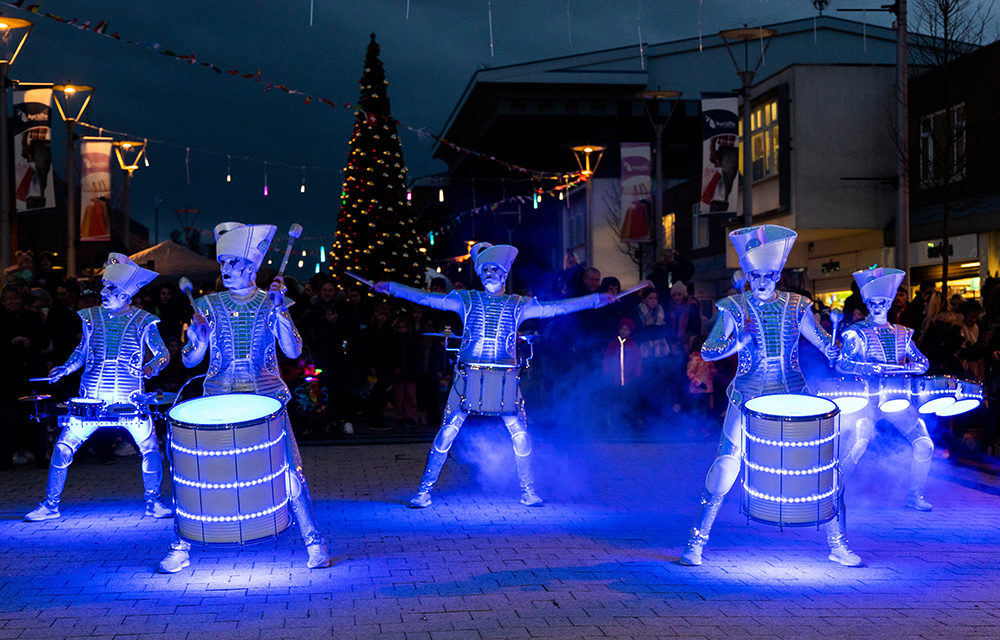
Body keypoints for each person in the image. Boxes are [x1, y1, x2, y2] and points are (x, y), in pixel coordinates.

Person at [373, 242, 616, 507]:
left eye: (495, 269)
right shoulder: (465, 299)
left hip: (505, 378)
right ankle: (424, 491)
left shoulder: (519, 304)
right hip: (469, 376)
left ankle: (528, 491)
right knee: (446, 432)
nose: (490, 273)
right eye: (485, 269)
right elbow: (425, 297)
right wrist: (392, 288)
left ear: (504, 273)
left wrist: (595, 300)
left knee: (520, 433)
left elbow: (557, 308)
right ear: (479, 273)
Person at [158, 222, 331, 573]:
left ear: (251, 267)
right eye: (223, 264)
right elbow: (190, 359)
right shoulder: (207, 305)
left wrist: (281, 309)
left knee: (290, 473)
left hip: (267, 404)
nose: (225, 270)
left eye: (232, 263)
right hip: (219, 402)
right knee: (200, 475)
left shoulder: (273, 301)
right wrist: (200, 341)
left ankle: (315, 543)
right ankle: (180, 547)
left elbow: (294, 350)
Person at [678, 225, 854, 567]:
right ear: (746, 274)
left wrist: (836, 350)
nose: (763, 281)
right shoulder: (733, 306)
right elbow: (708, 349)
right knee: (725, 467)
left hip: (793, 396)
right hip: (747, 397)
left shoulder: (797, 305)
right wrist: (735, 343)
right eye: (755, 275)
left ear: (779, 273)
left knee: (823, 469)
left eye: (769, 274)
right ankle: (696, 543)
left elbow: (822, 344)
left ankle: (839, 544)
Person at [24, 254, 172, 521]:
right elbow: (81, 352)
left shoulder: (143, 321)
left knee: (150, 448)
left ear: (127, 293)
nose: (104, 292)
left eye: (112, 288)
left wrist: (152, 367)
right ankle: (50, 504)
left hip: (128, 401)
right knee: (62, 447)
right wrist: (65, 368)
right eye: (104, 286)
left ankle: (154, 502)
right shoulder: (90, 318)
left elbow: (162, 353)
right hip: (91, 400)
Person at [836, 266, 935, 510]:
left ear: (890, 303)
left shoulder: (903, 333)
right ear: (867, 303)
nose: (878, 306)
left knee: (925, 444)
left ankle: (915, 494)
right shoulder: (855, 333)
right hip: (867, 400)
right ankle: (835, 493)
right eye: (873, 302)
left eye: (883, 301)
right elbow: (842, 363)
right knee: (858, 445)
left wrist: (907, 368)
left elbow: (923, 362)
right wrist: (870, 368)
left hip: (898, 400)